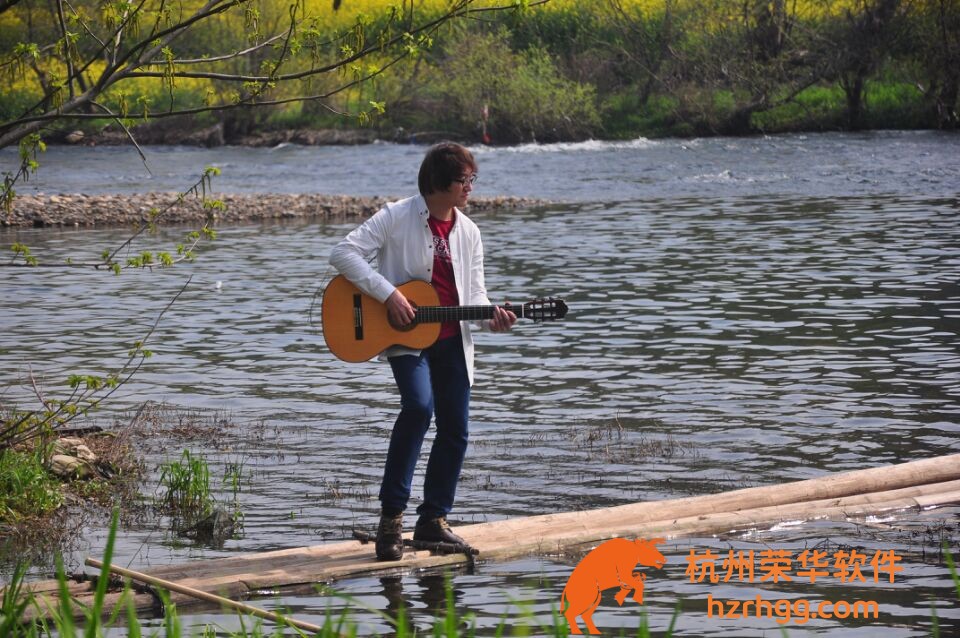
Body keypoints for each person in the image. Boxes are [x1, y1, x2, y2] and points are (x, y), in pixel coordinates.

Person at [329, 142, 516, 561]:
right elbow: (342, 252)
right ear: (438, 182)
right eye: (464, 180)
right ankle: (391, 519)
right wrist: (389, 294)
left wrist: (493, 319)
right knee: (418, 408)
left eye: (472, 179)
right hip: (406, 338)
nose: (471, 187)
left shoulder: (470, 232)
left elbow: (476, 296)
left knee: (456, 430)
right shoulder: (396, 216)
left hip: (452, 341)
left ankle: (433, 520)